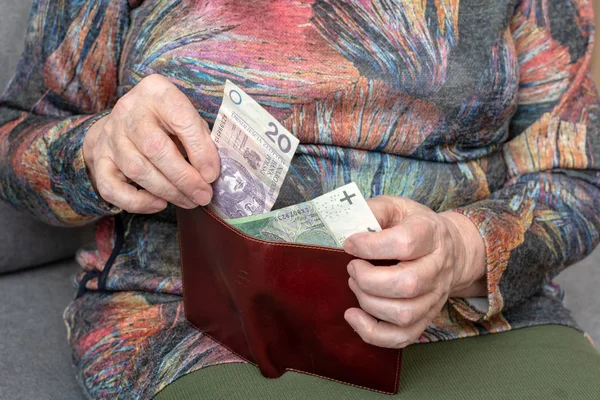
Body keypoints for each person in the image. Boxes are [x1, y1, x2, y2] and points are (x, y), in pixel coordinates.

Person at [1, 0, 600, 399]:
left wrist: (463, 251)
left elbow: (578, 172)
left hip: (475, 317)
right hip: (202, 325)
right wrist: (96, 148)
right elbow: (17, 138)